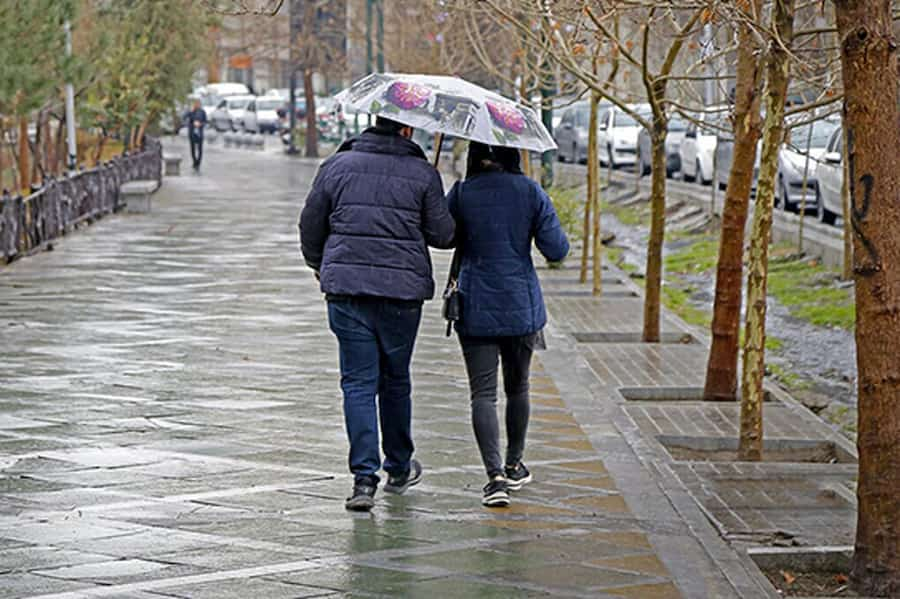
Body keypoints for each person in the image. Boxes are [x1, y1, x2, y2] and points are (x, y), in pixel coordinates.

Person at [299, 117, 455, 512]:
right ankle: (399, 466)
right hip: (402, 296)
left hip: (346, 290)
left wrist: (321, 265)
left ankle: (363, 479)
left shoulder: (336, 166)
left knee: (357, 383)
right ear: (407, 131)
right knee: (395, 379)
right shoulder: (422, 173)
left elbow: (310, 223)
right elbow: (443, 235)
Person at [446, 142, 569, 507]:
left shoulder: (463, 192)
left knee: (482, 393)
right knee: (518, 387)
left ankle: (494, 476)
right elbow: (557, 250)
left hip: (475, 305)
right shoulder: (530, 191)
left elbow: (442, 236)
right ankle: (515, 464)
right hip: (520, 306)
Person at [184, 100, 207, 170]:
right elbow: (184, 117)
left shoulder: (202, 112)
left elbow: (205, 121)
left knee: (200, 149)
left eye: (198, 104)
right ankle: (194, 161)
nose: (197, 105)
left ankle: (198, 162)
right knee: (192, 148)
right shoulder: (191, 112)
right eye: (195, 104)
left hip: (199, 132)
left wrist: (200, 124)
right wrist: (190, 111)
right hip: (192, 132)